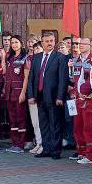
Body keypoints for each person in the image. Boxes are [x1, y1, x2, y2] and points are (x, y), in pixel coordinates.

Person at [27, 31, 70, 160]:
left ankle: (55, 151)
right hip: (39, 96)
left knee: (55, 125)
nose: (50, 43)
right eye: (47, 41)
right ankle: (46, 149)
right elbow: (32, 78)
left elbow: (63, 79)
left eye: (51, 41)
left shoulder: (60, 58)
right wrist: (31, 95)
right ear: (42, 43)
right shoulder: (36, 57)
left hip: (54, 97)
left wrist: (60, 97)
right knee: (43, 124)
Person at [3, 35, 31, 152]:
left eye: (16, 42)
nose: (14, 44)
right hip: (9, 92)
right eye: (12, 42)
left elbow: (26, 77)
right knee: (12, 119)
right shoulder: (10, 58)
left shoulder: (25, 58)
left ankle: (21, 144)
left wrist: (23, 93)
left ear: (21, 43)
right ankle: (14, 143)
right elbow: (4, 72)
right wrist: (3, 57)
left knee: (21, 118)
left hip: (19, 91)